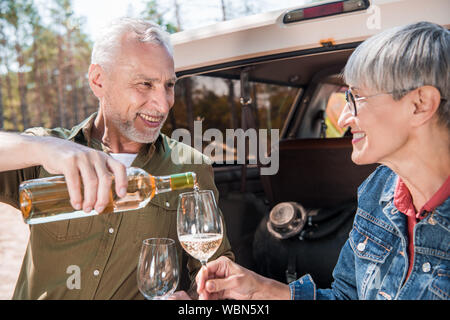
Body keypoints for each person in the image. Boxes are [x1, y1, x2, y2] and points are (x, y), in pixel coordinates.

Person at [196, 21, 449, 300]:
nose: (343, 118)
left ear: (420, 104)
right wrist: (260, 288)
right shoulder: (378, 189)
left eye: (357, 98)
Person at [0, 17, 234, 300]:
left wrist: (193, 300)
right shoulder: (44, 151)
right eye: (145, 84)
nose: (163, 104)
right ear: (98, 80)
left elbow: (215, 275)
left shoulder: (191, 166)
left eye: (169, 85)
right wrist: (42, 147)